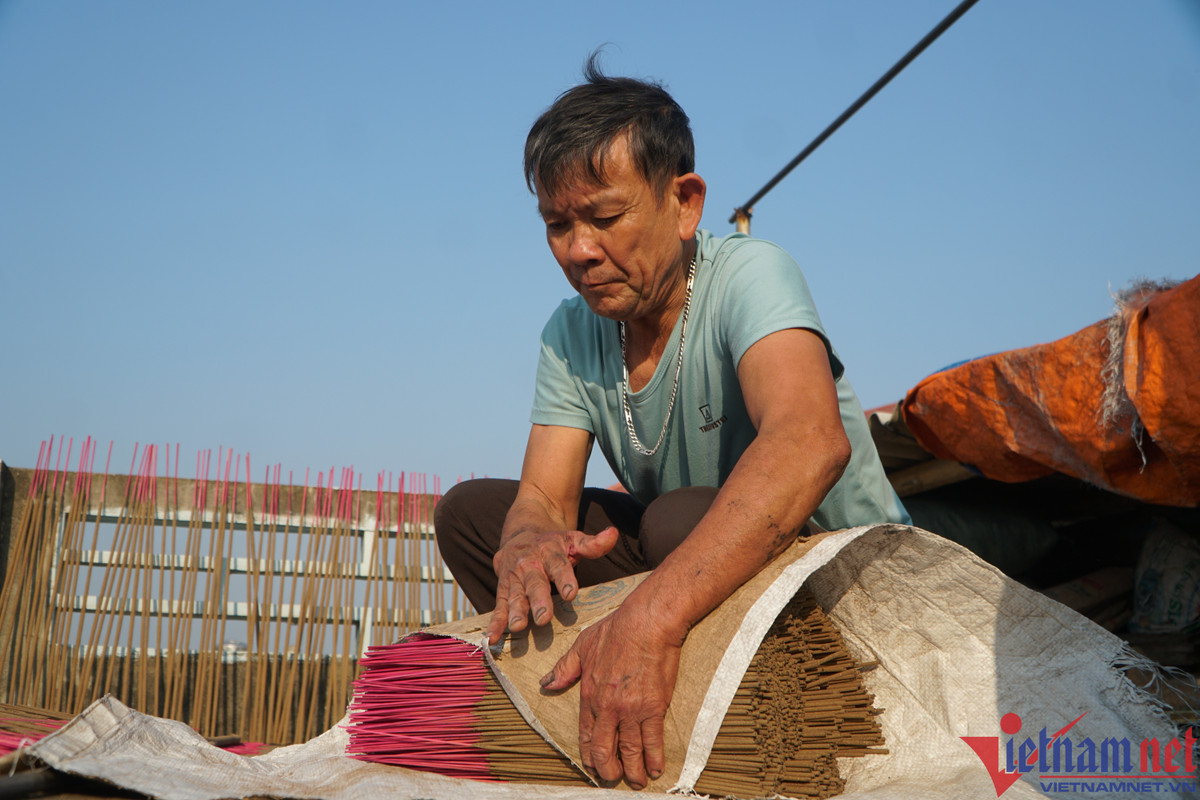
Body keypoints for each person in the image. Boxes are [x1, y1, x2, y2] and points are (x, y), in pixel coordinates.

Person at [435, 55, 909, 790]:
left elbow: (810, 441)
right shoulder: (571, 332)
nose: (579, 251)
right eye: (557, 224)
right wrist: (528, 543)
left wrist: (651, 617)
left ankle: (739, 709)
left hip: (832, 580)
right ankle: (586, 700)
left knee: (672, 521)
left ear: (684, 203)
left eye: (604, 217)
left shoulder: (749, 275)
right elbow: (542, 500)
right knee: (473, 516)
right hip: (690, 568)